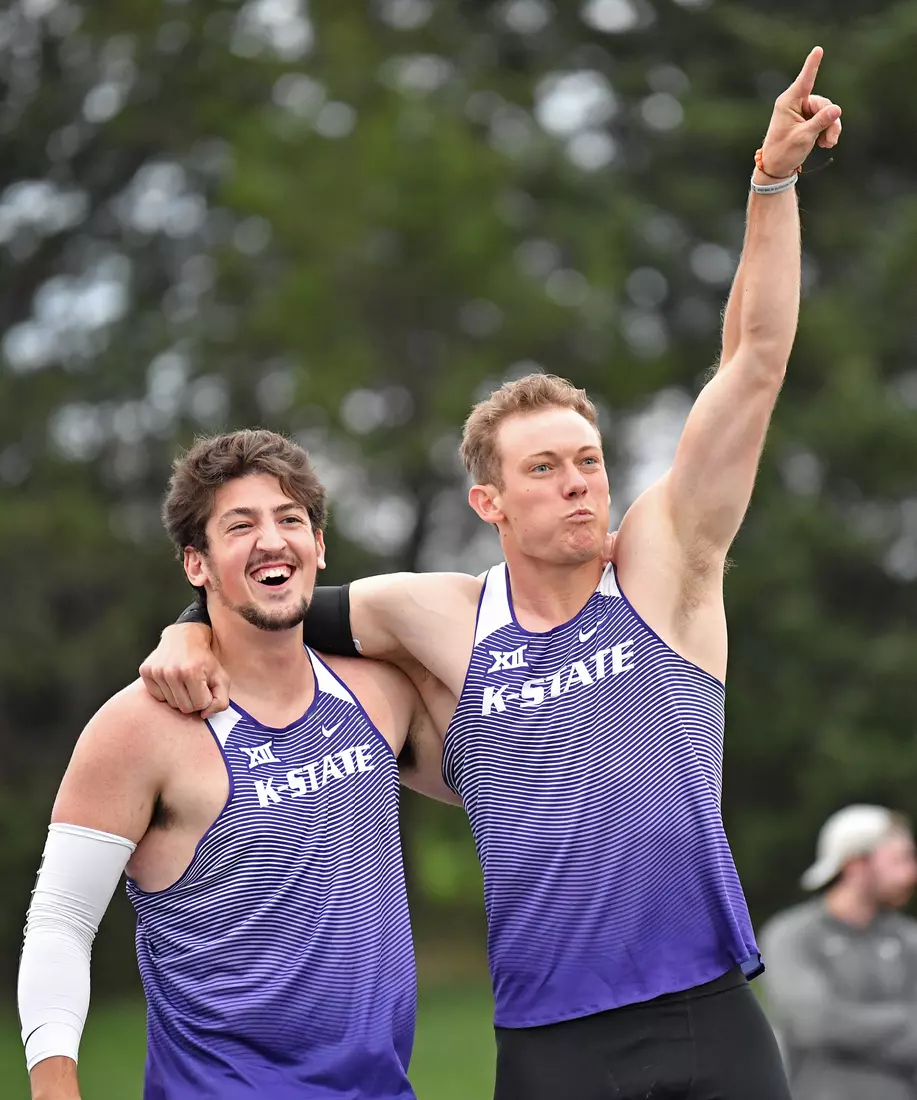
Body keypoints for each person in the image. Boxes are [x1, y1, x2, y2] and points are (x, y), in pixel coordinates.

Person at [141, 48, 843, 1100]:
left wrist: (771, 183)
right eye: (544, 468)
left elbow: (751, 358)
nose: (577, 486)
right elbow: (262, 599)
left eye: (589, 461)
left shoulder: (664, 567)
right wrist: (184, 632)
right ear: (490, 502)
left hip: (707, 1015)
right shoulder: (437, 616)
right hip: (549, 1041)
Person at [17, 429, 456, 1100]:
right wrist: (53, 1091)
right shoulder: (138, 728)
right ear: (197, 562)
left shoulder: (379, 692)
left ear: (318, 546)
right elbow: (60, 922)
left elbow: (504, 776)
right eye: (240, 525)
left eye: (289, 520)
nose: (272, 540)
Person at [759, 805, 917, 1100]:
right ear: (855, 865)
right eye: (899, 860)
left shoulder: (909, 939)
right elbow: (813, 1023)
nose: (911, 872)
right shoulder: (791, 935)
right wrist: (902, 1020)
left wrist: (849, 1026)